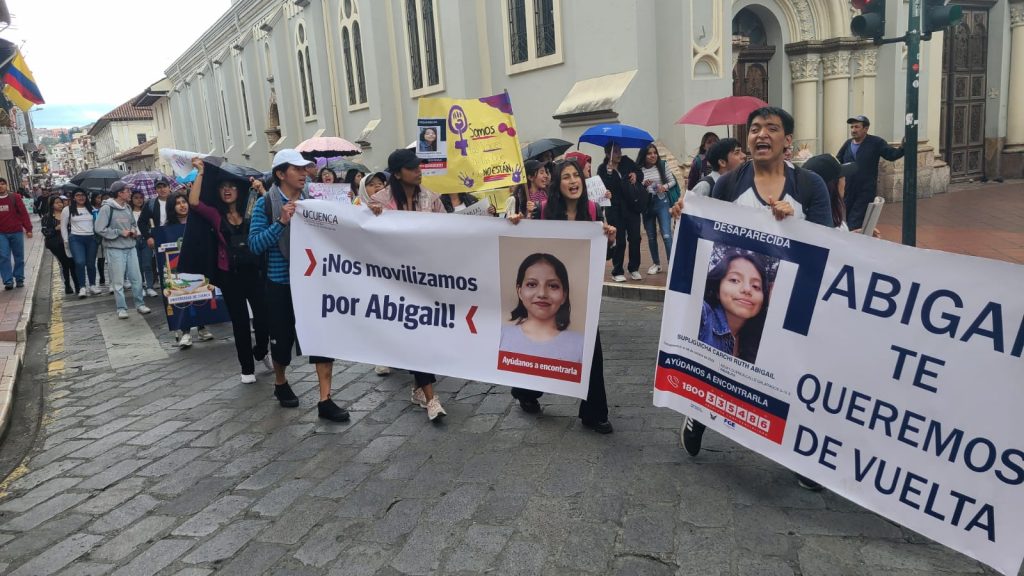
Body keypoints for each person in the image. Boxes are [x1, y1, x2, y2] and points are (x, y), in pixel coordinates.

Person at [507, 159, 618, 434]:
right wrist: (517, 224)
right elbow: (527, 246)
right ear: (558, 184)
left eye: (576, 176)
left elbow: (605, 255)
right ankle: (525, 392)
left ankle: (593, 413)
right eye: (566, 177)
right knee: (538, 344)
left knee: (591, 348)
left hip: (579, 293)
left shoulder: (592, 210)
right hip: (547, 292)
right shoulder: (544, 211)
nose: (573, 181)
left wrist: (610, 238)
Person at [249, 149, 351, 422]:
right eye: (297, 169)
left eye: (305, 168)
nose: (304, 173)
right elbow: (255, 245)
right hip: (280, 283)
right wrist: (281, 222)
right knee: (282, 342)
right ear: (281, 174)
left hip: (313, 282)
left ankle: (325, 399)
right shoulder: (265, 205)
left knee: (321, 338)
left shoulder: (312, 201)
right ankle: (280, 382)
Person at [368, 148, 447, 421]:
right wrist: (371, 216)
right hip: (395, 281)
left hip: (426, 277)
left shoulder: (431, 198)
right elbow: (362, 233)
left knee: (425, 335)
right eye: (413, 167)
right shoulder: (379, 200)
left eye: (419, 166)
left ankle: (417, 388)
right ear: (399, 173)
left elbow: (449, 231)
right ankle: (430, 396)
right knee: (416, 334)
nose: (419, 170)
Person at [672, 107, 832, 227]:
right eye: (755, 130)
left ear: (787, 140)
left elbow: (823, 248)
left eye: (772, 129)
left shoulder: (811, 184)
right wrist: (686, 214)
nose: (761, 134)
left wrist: (792, 225)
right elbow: (714, 239)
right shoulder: (726, 184)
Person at [189, 158, 272, 384]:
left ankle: (262, 350)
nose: (227, 190)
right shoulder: (216, 214)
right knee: (240, 322)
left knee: (263, 318)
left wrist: (262, 189)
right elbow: (194, 202)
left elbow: (273, 211)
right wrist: (201, 172)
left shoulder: (251, 208)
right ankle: (247, 368)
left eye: (232, 186)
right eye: (223, 187)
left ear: (239, 189)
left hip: (254, 271)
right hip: (230, 275)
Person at [499, 253, 584, 363]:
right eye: (532, 284)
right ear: (520, 292)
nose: (542, 294)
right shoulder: (500, 336)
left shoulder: (581, 344)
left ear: (564, 295)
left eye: (553, 286)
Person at [160, 193, 215, 348]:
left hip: (197, 266)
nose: (183, 205)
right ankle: (185, 331)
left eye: (184, 201)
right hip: (179, 269)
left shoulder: (198, 222)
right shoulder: (167, 229)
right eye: (178, 203)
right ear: (172, 207)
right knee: (182, 298)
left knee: (200, 295)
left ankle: (202, 327)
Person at [697, 249, 769, 364]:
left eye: (755, 286)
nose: (747, 289)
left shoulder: (761, 340)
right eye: (735, 280)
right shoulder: (701, 316)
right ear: (717, 289)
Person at [95, 182, 152, 319]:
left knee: (136, 278)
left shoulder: (127, 207)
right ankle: (121, 308)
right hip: (115, 249)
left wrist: (133, 231)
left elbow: (133, 224)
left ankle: (140, 304)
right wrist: (119, 232)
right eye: (127, 191)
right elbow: (99, 228)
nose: (130, 193)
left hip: (131, 247)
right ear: (120, 193)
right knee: (118, 280)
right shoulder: (107, 208)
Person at [837, 115, 904, 230]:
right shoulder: (848, 144)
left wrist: (903, 147)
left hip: (865, 190)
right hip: (849, 190)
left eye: (857, 127)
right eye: (852, 127)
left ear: (865, 128)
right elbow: (838, 161)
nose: (853, 130)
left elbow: (891, 155)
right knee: (849, 218)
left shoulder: (876, 142)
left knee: (855, 221)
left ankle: (854, 242)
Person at [599, 142, 645, 282]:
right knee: (619, 241)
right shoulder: (602, 169)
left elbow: (640, 173)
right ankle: (617, 270)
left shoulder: (627, 161)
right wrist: (609, 173)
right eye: (616, 151)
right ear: (608, 154)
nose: (619, 154)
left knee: (635, 238)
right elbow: (602, 189)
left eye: (619, 151)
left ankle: (634, 268)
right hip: (614, 209)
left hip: (631, 206)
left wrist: (636, 175)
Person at [636, 143, 680, 275]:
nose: (653, 155)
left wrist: (664, 187)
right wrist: (643, 184)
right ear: (644, 155)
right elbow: (636, 185)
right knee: (651, 236)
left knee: (666, 234)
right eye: (649, 153)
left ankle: (672, 264)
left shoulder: (662, 165)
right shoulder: (639, 169)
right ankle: (656, 264)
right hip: (647, 203)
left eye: (654, 152)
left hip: (662, 201)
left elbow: (672, 181)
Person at [801, 154, 858, 230]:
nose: (844, 180)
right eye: (842, 176)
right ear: (832, 185)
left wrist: (855, 236)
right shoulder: (822, 223)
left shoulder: (830, 214)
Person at [61, 189, 101, 298]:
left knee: (91, 263)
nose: (81, 197)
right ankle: (82, 287)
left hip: (91, 238)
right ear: (73, 197)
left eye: (83, 195)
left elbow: (97, 223)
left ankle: (92, 285)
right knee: (79, 262)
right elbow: (63, 226)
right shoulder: (67, 210)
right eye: (78, 195)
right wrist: (65, 240)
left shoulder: (92, 209)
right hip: (75, 239)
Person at [139, 177, 173, 294]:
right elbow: (141, 222)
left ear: (169, 187)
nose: (162, 189)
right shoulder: (151, 204)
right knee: (163, 265)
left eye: (164, 186)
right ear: (155, 190)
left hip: (177, 235)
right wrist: (148, 237)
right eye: (159, 187)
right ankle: (167, 290)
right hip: (160, 238)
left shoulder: (177, 200)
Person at [0, 177, 33, 290]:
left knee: (19, 256)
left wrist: (28, 229)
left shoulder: (15, 197)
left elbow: (23, 213)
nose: (1, 186)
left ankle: (19, 278)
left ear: (6, 185)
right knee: (3, 256)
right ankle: (8, 281)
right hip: (1, 234)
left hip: (16, 232)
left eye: (3, 184)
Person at [41, 195, 77, 295]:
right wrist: (55, 228)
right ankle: (67, 285)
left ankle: (78, 285)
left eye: (61, 202)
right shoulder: (47, 217)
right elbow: (45, 232)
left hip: (70, 242)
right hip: (56, 244)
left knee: (73, 263)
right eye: (57, 202)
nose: (60, 204)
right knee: (65, 264)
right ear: (52, 205)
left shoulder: (68, 214)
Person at [130, 190, 159, 297]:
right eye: (136, 198)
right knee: (137, 265)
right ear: (131, 199)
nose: (139, 200)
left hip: (146, 239)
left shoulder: (148, 210)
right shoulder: (128, 211)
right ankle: (140, 286)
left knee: (147, 264)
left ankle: (150, 286)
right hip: (133, 239)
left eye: (141, 198)